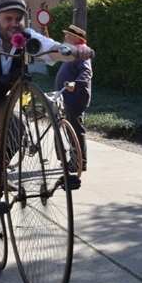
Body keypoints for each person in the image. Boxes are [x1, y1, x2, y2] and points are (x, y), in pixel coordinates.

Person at [0, 0, 95, 243]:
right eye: (8, 19)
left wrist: (77, 52)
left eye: (18, 18)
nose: (14, 24)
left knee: (18, 124)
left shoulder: (26, 38)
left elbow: (53, 48)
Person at [55, 24, 92, 172]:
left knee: (76, 131)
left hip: (75, 97)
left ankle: (79, 163)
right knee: (72, 131)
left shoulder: (82, 52)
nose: (65, 38)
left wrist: (75, 84)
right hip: (68, 97)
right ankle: (74, 160)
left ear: (76, 38)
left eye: (67, 37)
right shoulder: (73, 52)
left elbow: (87, 72)